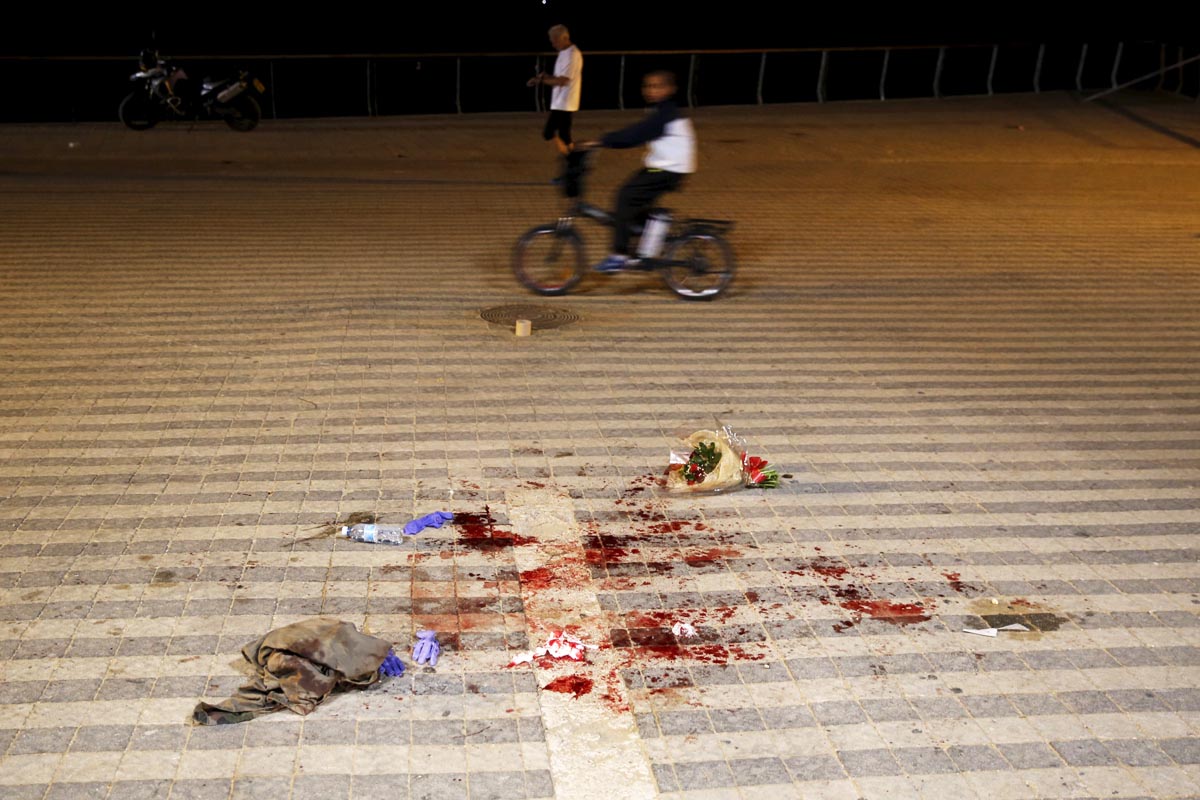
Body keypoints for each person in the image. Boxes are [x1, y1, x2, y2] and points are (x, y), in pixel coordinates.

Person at [580, 71, 696, 272]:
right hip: (664, 166)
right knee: (633, 198)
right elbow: (637, 132)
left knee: (625, 196)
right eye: (648, 86)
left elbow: (635, 135)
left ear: (670, 89)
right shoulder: (661, 111)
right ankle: (655, 225)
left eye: (657, 86)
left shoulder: (666, 113)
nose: (651, 90)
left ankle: (619, 255)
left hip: (669, 169)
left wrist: (601, 141)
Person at [527, 25, 583, 156]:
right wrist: (545, 77)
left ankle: (571, 158)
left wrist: (542, 81)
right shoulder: (564, 53)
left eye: (555, 40)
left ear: (564, 38)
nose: (552, 44)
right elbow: (559, 78)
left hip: (566, 101)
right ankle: (572, 156)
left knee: (549, 133)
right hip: (560, 101)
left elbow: (563, 81)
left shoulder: (572, 54)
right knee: (564, 134)